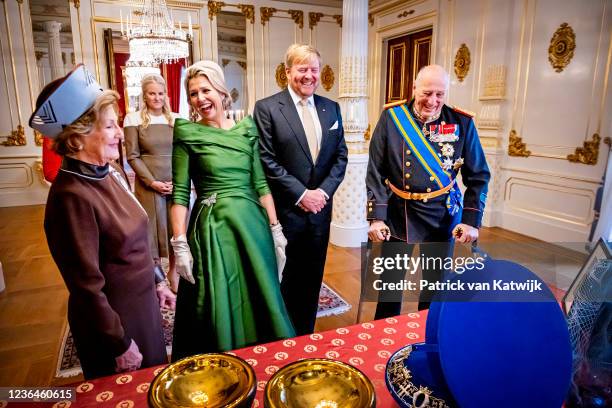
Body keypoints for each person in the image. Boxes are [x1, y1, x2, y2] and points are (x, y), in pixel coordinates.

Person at [31, 64, 175, 379]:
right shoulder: (72, 196)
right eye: (110, 127)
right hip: (116, 325)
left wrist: (157, 280)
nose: (120, 134)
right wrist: (119, 343)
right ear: (77, 137)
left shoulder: (109, 172)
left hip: (141, 309)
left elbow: (135, 236)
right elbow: (86, 288)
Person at [170, 60, 295, 360]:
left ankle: (266, 361)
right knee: (218, 303)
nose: (199, 98)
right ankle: (223, 365)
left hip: (252, 227)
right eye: (192, 93)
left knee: (261, 296)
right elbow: (180, 193)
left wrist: (276, 230)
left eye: (205, 90)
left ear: (222, 92)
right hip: (213, 231)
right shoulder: (187, 133)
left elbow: (261, 184)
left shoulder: (246, 130)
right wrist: (179, 245)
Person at [366, 64, 490, 317]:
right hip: (399, 214)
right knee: (390, 287)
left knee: (434, 288)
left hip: (441, 216)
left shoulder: (462, 123)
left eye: (440, 94)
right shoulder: (392, 118)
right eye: (427, 93)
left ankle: (427, 338)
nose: (433, 101)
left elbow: (478, 175)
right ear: (414, 88)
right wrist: (376, 216)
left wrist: (471, 221)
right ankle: (384, 336)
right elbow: (376, 170)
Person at [253, 44, 348, 335]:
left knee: (312, 279)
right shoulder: (267, 108)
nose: (309, 75)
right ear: (287, 72)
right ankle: (280, 337)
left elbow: (340, 156)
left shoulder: (331, 108)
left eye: (314, 69)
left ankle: (305, 334)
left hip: (320, 211)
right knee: (283, 278)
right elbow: (265, 159)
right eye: (302, 69)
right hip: (286, 211)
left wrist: (322, 193)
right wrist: (302, 194)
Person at [124, 74, 179, 292]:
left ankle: (173, 272)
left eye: (160, 93)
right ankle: (155, 277)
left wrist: (179, 180)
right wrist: (152, 182)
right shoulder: (132, 119)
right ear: (144, 96)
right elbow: (132, 156)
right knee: (150, 232)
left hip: (175, 182)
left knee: (176, 229)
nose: (157, 97)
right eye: (151, 93)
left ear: (166, 94)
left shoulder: (175, 118)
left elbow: (182, 152)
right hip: (149, 184)